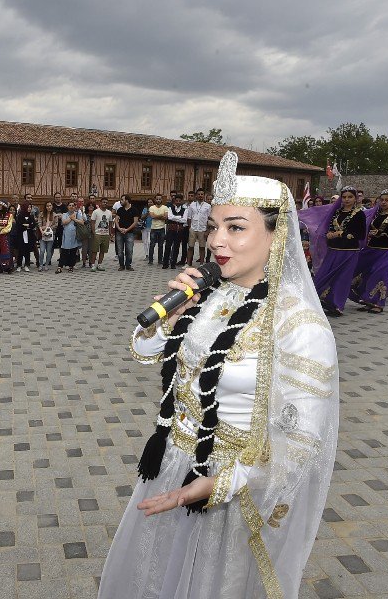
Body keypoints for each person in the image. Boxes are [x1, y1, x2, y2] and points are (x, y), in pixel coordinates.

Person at [100, 151, 338, 599]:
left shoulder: (298, 326)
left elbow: (302, 441)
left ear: (276, 233)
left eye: (235, 227)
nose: (215, 241)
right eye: (213, 227)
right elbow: (148, 351)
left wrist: (222, 482)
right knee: (154, 578)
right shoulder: (209, 294)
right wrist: (173, 316)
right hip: (171, 463)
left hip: (231, 483)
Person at [304, 186, 367, 316]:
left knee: (343, 278)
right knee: (325, 274)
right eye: (344, 197)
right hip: (333, 250)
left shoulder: (359, 214)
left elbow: (360, 235)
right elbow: (328, 227)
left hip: (349, 251)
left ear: (355, 198)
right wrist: (329, 234)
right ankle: (318, 299)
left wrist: (341, 233)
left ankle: (337, 306)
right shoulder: (336, 212)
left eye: (350, 197)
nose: (347, 199)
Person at [348, 190, 388, 314]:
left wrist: (382, 233)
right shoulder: (375, 214)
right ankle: (365, 299)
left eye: (387, 200)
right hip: (371, 249)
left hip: (386, 250)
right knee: (363, 273)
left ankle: (378, 303)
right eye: (381, 199)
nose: (383, 202)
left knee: (380, 275)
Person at [185, 188, 211, 266]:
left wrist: (207, 230)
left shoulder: (208, 206)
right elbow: (189, 217)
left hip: (202, 229)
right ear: (196, 195)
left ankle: (201, 264)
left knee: (202, 247)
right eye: (199, 194)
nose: (200, 196)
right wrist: (190, 227)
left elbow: (209, 219)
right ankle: (188, 263)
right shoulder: (192, 205)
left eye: (202, 194)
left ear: (204, 195)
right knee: (190, 247)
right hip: (193, 228)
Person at [56, 201, 83, 273]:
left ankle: (71, 266)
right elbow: (64, 222)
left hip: (74, 235)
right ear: (67, 207)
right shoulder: (64, 214)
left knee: (73, 251)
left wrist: (74, 219)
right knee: (64, 251)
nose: (71, 207)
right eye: (70, 205)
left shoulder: (77, 214)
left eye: (73, 205)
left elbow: (82, 222)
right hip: (66, 235)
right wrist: (71, 218)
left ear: (75, 207)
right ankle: (60, 266)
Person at [113, 195, 138, 271]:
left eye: (122, 199)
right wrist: (119, 228)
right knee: (120, 250)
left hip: (129, 232)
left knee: (129, 250)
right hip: (119, 232)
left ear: (127, 200)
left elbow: (135, 222)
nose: (121, 201)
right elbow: (116, 220)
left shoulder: (134, 210)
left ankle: (128, 265)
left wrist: (127, 229)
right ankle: (121, 265)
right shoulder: (120, 209)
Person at [89, 198, 114, 271]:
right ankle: (93, 264)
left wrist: (110, 233)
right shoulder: (96, 212)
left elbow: (110, 223)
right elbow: (92, 222)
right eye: (103, 202)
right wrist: (94, 232)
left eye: (106, 202)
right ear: (100, 203)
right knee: (94, 250)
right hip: (97, 233)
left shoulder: (109, 212)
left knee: (103, 250)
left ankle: (99, 264)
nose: (105, 203)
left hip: (105, 234)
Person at [14, 199, 36, 272]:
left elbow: (33, 225)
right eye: (28, 207)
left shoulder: (31, 216)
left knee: (27, 251)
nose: (29, 209)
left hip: (29, 236)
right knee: (20, 250)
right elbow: (19, 226)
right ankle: (19, 265)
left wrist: (27, 225)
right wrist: (27, 226)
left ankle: (26, 264)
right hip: (21, 236)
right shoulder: (20, 216)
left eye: (30, 207)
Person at [147, 194, 168, 265]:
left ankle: (160, 260)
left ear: (161, 200)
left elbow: (166, 217)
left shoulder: (165, 207)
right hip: (153, 229)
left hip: (161, 228)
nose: (158, 200)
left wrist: (157, 216)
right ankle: (150, 260)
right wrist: (161, 215)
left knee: (161, 245)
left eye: (160, 199)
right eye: (157, 199)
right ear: (155, 200)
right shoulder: (152, 207)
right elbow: (152, 216)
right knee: (152, 245)